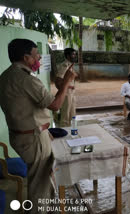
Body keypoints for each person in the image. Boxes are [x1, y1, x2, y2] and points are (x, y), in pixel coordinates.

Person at [0, 39, 77, 213]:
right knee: (39, 184)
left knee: (40, 177)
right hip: (32, 139)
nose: (39, 57)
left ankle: (47, 207)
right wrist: (66, 81)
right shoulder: (27, 80)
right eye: (36, 54)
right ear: (26, 57)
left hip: (21, 135)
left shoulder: (5, 76)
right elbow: (56, 105)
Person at [55, 48, 77, 127]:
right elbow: (58, 81)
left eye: (75, 54)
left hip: (71, 92)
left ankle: (72, 130)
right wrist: (65, 88)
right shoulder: (64, 66)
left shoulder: (70, 65)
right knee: (65, 114)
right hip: (66, 92)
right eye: (73, 54)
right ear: (67, 56)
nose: (74, 56)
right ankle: (64, 132)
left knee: (72, 113)